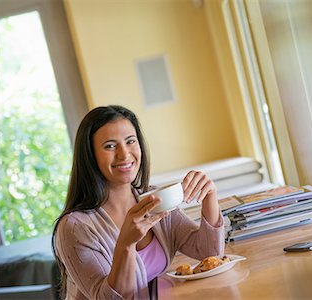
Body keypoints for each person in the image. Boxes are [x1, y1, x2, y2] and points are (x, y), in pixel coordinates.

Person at [52, 105, 225, 299]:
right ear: (91, 156)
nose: (124, 154)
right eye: (110, 146)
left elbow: (208, 251)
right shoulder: (75, 228)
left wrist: (210, 196)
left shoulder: (154, 199)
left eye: (130, 141)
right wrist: (126, 244)